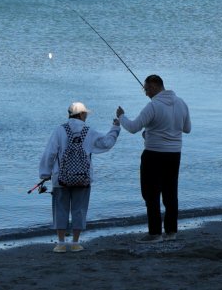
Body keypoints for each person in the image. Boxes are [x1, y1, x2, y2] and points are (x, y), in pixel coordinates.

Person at [116, 74, 191, 241]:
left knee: (151, 193)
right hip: (174, 155)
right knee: (170, 193)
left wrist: (121, 116)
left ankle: (155, 233)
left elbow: (133, 127)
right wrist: (156, 131)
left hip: (153, 155)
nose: (146, 93)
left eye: (147, 89)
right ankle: (171, 232)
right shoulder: (181, 103)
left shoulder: (153, 106)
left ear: (155, 86)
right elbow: (187, 128)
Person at [39, 102, 121, 253]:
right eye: (86, 113)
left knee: (60, 209)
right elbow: (106, 143)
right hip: (83, 178)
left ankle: (61, 244)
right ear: (82, 114)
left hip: (60, 178)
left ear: (69, 114)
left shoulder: (59, 130)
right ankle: (75, 243)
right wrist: (115, 128)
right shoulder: (89, 131)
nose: (87, 116)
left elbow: (50, 153)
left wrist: (45, 174)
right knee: (79, 209)